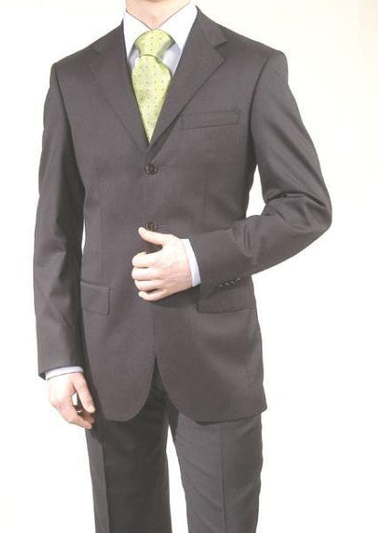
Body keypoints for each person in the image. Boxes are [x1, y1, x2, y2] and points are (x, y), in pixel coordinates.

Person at [33, 1, 332, 531]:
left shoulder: (253, 66)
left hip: (215, 356)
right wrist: (60, 359)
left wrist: (197, 259)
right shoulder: (71, 77)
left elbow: (304, 206)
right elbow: (55, 230)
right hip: (107, 362)